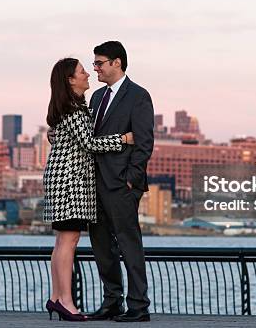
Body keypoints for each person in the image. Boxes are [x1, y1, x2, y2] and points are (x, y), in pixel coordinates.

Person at [43, 57, 134, 322]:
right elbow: (90, 144)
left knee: (62, 242)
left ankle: (57, 297)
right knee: (68, 242)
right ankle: (66, 302)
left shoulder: (68, 108)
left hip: (64, 180)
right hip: (70, 183)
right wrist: (124, 139)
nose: (87, 74)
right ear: (70, 80)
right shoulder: (72, 110)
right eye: (82, 72)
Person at [86, 41, 154, 322]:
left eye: (99, 63)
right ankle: (112, 301)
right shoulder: (96, 98)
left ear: (117, 63)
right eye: (94, 63)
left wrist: (131, 180)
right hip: (95, 184)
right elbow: (90, 141)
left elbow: (144, 142)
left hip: (122, 185)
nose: (95, 68)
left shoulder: (138, 96)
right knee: (101, 245)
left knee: (129, 243)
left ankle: (138, 305)